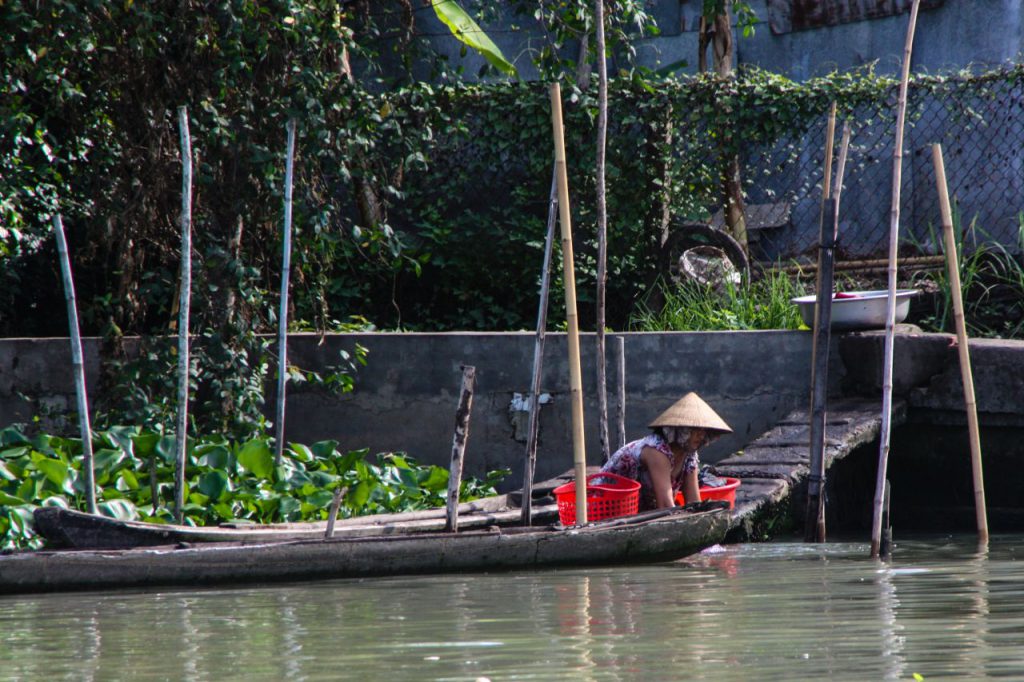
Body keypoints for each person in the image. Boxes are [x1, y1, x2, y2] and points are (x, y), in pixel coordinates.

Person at [600, 392, 731, 511]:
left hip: (638, 512)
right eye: (695, 430)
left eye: (703, 431)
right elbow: (666, 506)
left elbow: (693, 501)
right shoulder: (656, 451)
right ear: (680, 430)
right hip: (605, 507)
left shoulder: (689, 456)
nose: (701, 436)